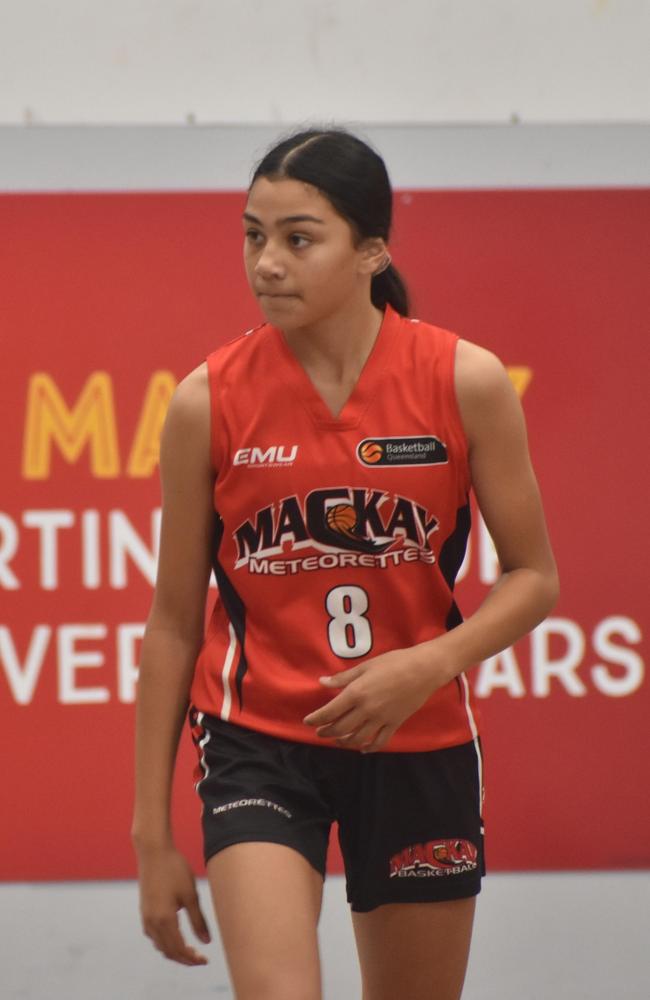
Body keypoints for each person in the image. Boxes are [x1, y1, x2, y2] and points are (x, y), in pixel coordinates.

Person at [131, 125, 559, 1000]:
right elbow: (175, 622)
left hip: (419, 738)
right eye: (254, 235)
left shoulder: (465, 380)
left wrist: (428, 664)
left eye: (299, 238)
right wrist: (150, 836)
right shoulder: (205, 399)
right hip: (258, 742)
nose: (267, 264)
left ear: (372, 251)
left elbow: (534, 578)